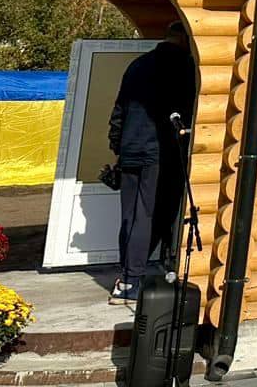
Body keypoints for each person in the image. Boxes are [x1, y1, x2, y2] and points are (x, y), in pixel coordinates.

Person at [107, 21, 195, 305]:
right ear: (183, 39)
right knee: (156, 212)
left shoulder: (138, 65)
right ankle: (134, 278)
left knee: (132, 215)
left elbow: (119, 109)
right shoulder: (185, 67)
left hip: (131, 149)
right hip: (161, 152)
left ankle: (128, 276)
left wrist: (118, 146)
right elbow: (190, 109)